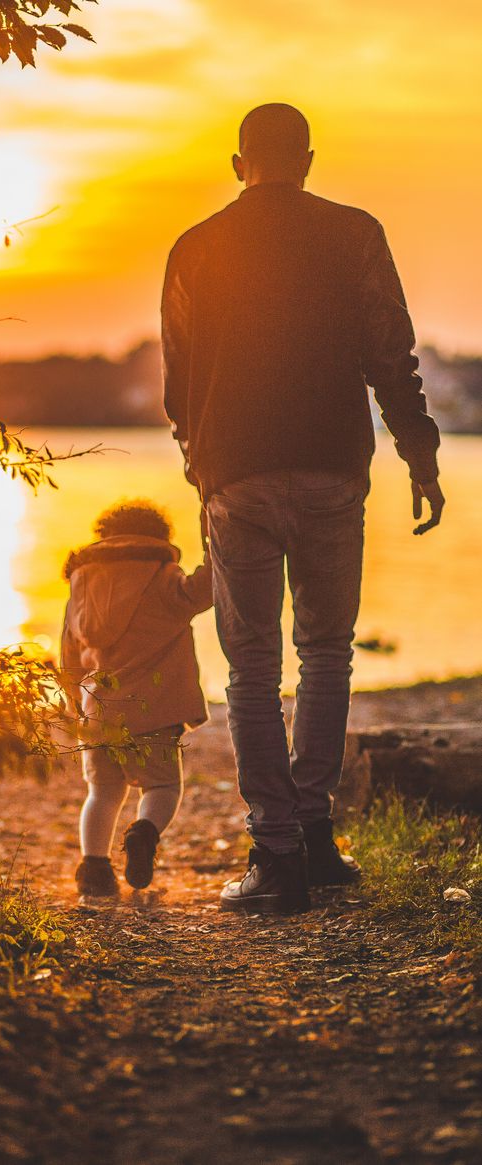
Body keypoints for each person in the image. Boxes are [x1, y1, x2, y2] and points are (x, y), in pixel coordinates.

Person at [161, 102, 444, 915]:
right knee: (326, 651)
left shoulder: (195, 246)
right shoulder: (354, 233)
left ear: (236, 162)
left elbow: (178, 376)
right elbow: (390, 351)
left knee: (251, 669)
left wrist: (198, 463)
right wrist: (417, 452)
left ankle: (276, 853)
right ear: (308, 160)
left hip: (236, 474)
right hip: (329, 466)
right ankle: (314, 836)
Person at [61, 499, 212, 903]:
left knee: (103, 793)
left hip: (98, 711)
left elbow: (69, 654)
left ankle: (94, 869)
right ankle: (144, 833)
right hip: (154, 710)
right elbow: (205, 590)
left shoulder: (81, 583)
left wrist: (75, 705)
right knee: (162, 785)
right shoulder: (163, 575)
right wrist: (215, 541)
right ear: (158, 538)